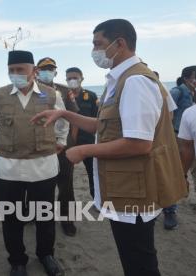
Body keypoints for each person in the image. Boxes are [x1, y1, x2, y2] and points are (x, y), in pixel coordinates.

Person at [31, 19, 188, 276]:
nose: (94, 50)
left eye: (98, 43)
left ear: (120, 43)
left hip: (135, 191)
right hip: (127, 187)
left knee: (139, 262)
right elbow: (103, 126)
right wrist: (64, 115)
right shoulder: (123, 78)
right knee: (135, 258)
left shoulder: (136, 81)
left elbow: (139, 143)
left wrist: (82, 151)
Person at [0, 50, 68, 276]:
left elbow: (62, 120)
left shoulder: (51, 94)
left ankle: (45, 254)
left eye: (20, 69)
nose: (15, 74)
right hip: (9, 168)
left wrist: (61, 140)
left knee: (45, 214)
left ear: (34, 71)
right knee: (11, 216)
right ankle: (17, 260)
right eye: (11, 70)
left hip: (43, 165)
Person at [36, 57, 79, 236]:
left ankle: (67, 219)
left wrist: (71, 143)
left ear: (55, 71)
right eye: (44, 68)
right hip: (39, 145)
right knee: (39, 184)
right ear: (36, 71)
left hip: (62, 146)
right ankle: (38, 216)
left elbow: (73, 117)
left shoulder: (64, 90)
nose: (47, 71)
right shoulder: (30, 90)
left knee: (66, 185)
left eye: (51, 69)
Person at [165, 66, 196, 229]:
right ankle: (170, 211)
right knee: (175, 174)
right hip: (178, 138)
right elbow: (165, 111)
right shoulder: (178, 91)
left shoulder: (193, 93)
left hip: (190, 138)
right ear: (187, 79)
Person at [65, 67, 98, 198]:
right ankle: (67, 203)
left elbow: (97, 120)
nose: (72, 80)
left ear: (81, 78)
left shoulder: (91, 96)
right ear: (66, 80)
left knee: (93, 172)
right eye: (69, 78)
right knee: (66, 174)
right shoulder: (62, 96)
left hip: (88, 141)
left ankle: (96, 198)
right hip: (67, 142)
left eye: (75, 78)